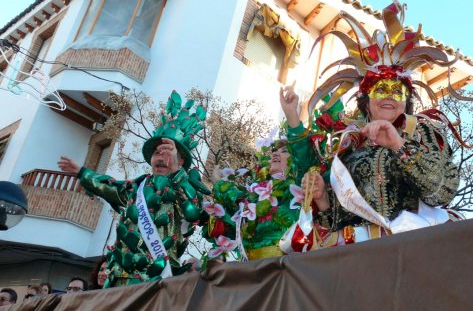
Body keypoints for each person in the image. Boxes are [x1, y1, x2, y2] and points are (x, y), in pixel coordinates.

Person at [280, 0, 466, 248]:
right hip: (357, 255)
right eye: (380, 89)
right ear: (366, 101)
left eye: (397, 90)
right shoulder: (349, 144)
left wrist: (399, 146)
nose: (389, 95)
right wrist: (323, 198)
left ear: (406, 101)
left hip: (409, 249)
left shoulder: (422, 132)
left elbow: (442, 191)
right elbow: (337, 221)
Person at [58, 91, 210, 286]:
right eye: (157, 153)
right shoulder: (137, 186)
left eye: (169, 154)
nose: (161, 158)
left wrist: (176, 174)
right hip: (118, 273)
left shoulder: (185, 186)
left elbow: (194, 213)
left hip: (157, 276)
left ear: (180, 161)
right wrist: (83, 172)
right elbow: (109, 186)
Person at [203, 136, 302, 261]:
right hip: (250, 267)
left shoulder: (296, 185)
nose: (275, 153)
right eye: (275, 151)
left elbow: (302, 148)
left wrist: (220, 185)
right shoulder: (259, 189)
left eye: (284, 151)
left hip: (279, 266)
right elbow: (242, 204)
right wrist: (219, 183)